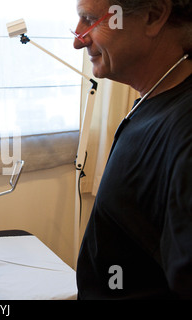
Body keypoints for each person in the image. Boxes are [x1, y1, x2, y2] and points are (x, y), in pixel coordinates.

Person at [72, 0, 192, 298]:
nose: (78, 39)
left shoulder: (184, 130)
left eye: (90, 19)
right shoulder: (151, 101)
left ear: (153, 17)